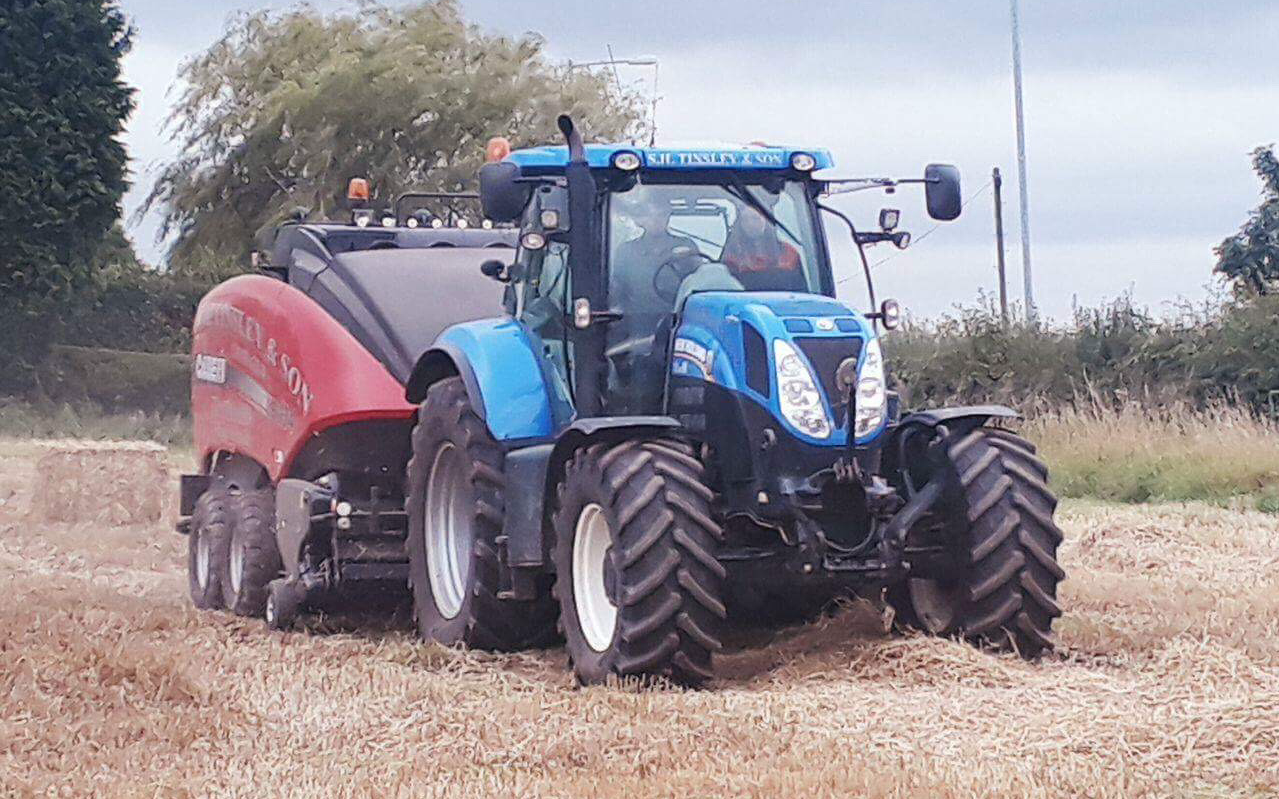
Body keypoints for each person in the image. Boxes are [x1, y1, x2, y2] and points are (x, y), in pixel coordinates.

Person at [720, 205, 807, 292]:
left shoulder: (789, 255)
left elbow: (802, 293)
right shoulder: (732, 257)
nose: (750, 224)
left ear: (766, 220)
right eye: (745, 220)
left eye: (755, 218)